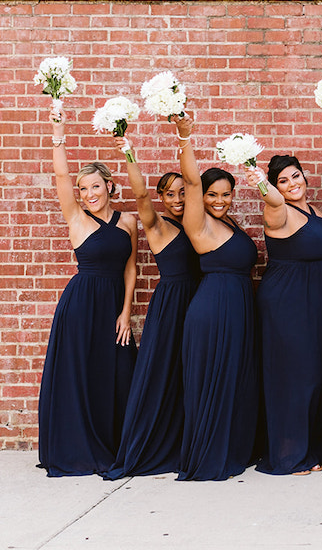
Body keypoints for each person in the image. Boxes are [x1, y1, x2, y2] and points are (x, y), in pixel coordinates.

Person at [38, 104, 138, 476]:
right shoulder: (76, 217)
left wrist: (126, 311)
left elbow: (131, 267)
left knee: (116, 372)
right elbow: (61, 174)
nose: (89, 193)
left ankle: (115, 443)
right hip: (80, 306)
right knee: (80, 373)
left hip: (113, 304)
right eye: (84, 188)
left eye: (96, 186)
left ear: (110, 186)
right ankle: (78, 446)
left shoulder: (128, 221)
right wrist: (58, 132)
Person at [106, 133, 200, 479]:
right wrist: (129, 153)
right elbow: (140, 194)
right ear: (161, 198)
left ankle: (186, 442)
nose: (177, 199)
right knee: (162, 373)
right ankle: (149, 445)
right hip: (172, 303)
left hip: (199, 300)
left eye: (182, 192)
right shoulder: (156, 224)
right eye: (169, 194)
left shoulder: (197, 223)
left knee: (190, 377)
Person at [174, 114, 258, 481]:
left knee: (235, 380)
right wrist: (185, 135)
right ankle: (209, 454)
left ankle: (232, 448)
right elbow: (191, 180)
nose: (220, 200)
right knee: (214, 381)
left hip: (238, 306)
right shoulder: (199, 222)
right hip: (214, 309)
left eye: (226, 194)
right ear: (202, 198)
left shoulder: (230, 223)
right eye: (212, 194)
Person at [249, 153, 322, 475]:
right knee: (295, 377)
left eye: (295, 176)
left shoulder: (314, 211)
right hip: (288, 303)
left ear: (305, 177)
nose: (292, 185)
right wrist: (260, 181)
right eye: (283, 181)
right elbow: (272, 200)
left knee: (318, 373)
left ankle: (314, 448)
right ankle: (289, 454)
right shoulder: (277, 211)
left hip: (321, 301)